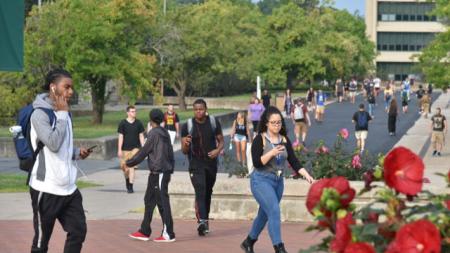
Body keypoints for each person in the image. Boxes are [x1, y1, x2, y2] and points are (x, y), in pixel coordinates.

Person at [29, 69, 91, 253]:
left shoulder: (65, 113)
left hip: (68, 188)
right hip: (46, 188)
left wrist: (77, 153)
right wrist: (62, 115)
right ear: (53, 87)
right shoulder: (39, 115)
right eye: (67, 87)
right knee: (41, 243)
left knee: (78, 231)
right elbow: (53, 143)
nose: (71, 92)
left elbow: (62, 148)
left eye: (72, 87)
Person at [240, 106, 314, 253]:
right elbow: (257, 163)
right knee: (274, 210)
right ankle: (279, 248)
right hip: (261, 180)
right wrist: (272, 152)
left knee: (264, 214)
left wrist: (306, 175)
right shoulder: (259, 139)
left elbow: (293, 161)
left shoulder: (284, 140)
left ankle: (248, 242)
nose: (277, 125)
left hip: (278, 182)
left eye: (279, 122)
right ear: (266, 123)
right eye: (273, 122)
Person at [127, 109, 176, 242]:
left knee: (162, 202)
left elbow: (144, 151)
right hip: (157, 172)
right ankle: (144, 231)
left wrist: (129, 162)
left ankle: (168, 234)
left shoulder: (154, 133)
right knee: (149, 200)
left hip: (160, 171)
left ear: (150, 119)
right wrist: (171, 168)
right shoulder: (164, 132)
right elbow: (171, 152)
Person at [181, 99, 224, 236]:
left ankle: (204, 222)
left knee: (207, 192)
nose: (198, 112)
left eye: (201, 109)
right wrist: (186, 143)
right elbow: (184, 150)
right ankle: (202, 222)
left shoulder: (213, 122)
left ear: (206, 109)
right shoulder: (187, 125)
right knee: (200, 190)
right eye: (196, 109)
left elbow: (221, 140)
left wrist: (217, 150)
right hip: (195, 163)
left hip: (211, 163)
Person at [117, 105, 145, 193]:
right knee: (124, 167)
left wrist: (143, 147)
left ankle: (131, 186)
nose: (134, 113)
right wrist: (119, 149)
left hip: (135, 149)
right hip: (125, 149)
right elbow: (121, 137)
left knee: (132, 167)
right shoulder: (123, 123)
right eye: (132, 111)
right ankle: (127, 181)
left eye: (135, 111)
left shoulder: (139, 123)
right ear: (128, 113)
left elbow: (141, 135)